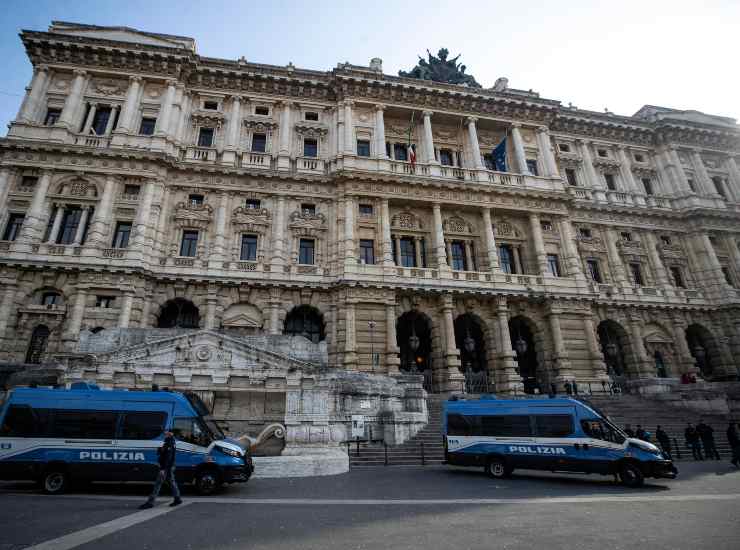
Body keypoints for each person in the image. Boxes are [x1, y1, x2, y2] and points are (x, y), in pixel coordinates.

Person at [140, 431, 182, 509]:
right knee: (172, 483)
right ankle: (177, 498)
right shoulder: (171, 442)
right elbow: (167, 455)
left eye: (166, 433)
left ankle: (150, 502)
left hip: (166, 467)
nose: (164, 434)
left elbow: (168, 458)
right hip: (169, 467)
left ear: (170, 433)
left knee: (158, 484)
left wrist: (163, 469)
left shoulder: (169, 443)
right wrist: (160, 450)